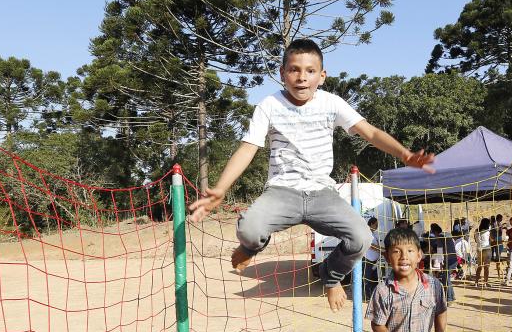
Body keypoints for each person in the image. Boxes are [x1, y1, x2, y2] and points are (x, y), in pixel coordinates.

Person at [189, 39, 435, 312]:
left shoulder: (332, 103)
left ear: (322, 75)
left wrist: (405, 154)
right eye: (294, 70)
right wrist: (221, 188)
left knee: (362, 238)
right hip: (282, 192)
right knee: (249, 229)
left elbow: (371, 132)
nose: (302, 77)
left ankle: (331, 276)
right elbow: (248, 148)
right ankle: (252, 247)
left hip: (322, 194)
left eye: (309, 70)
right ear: (283, 73)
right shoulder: (269, 105)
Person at [428, 223, 457, 302]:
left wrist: (440, 264)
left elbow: (440, 251)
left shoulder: (440, 237)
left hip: (449, 260)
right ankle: (451, 296)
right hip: (454, 259)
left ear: (435, 232)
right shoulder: (447, 234)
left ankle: (449, 298)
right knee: (447, 278)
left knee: (446, 279)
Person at [363, 217, 381, 297]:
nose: (377, 226)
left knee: (374, 279)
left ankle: (373, 295)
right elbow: (371, 246)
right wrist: (382, 250)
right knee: (367, 279)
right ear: (371, 224)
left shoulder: (373, 233)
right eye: (376, 225)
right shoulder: (366, 233)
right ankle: (366, 296)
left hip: (374, 261)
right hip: (368, 260)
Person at [474, 217, 492, 286]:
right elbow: (491, 240)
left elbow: (475, 240)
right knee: (486, 267)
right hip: (487, 249)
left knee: (479, 266)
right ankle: (485, 282)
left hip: (479, 249)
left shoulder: (476, 231)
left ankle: (476, 282)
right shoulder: (487, 231)